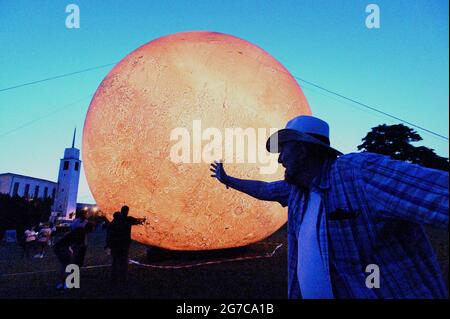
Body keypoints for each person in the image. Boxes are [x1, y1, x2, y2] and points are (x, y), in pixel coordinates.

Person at [210, 115, 449, 299]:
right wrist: (227, 179)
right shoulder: (297, 192)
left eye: (284, 149)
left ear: (302, 149)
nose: (279, 158)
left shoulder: (358, 174)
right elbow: (263, 189)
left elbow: (439, 194)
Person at [105, 206, 145, 284]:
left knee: (116, 261)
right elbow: (137, 221)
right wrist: (143, 220)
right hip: (123, 244)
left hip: (117, 245)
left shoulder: (114, 223)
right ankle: (122, 277)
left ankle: (115, 277)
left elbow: (109, 234)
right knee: (122, 261)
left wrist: (108, 244)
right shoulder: (126, 220)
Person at [53, 223, 94, 289]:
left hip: (59, 247)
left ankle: (62, 283)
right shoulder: (81, 233)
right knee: (68, 266)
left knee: (65, 266)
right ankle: (67, 284)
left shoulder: (79, 231)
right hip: (62, 248)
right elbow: (80, 245)